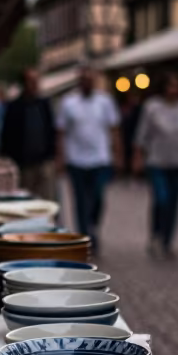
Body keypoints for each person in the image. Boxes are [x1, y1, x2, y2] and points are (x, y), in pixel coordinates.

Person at [133, 72, 178, 257]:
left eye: (176, 86)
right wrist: (138, 157)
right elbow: (142, 135)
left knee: (174, 203)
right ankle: (156, 233)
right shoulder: (152, 107)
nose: (173, 90)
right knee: (162, 200)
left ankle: (167, 240)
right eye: (170, 85)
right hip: (157, 162)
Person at [56, 67, 121, 251]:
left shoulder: (105, 101)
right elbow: (61, 132)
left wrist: (117, 154)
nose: (87, 83)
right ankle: (85, 237)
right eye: (84, 80)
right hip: (76, 160)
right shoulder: (68, 102)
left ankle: (93, 226)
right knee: (80, 201)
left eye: (90, 80)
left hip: (100, 159)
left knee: (98, 198)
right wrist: (61, 157)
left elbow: (114, 129)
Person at [0, 68, 58, 201]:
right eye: (31, 81)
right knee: (26, 198)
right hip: (24, 163)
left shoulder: (44, 104)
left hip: (43, 161)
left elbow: (51, 131)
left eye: (36, 81)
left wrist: (54, 156)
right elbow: (7, 134)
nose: (34, 85)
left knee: (47, 198)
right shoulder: (14, 107)